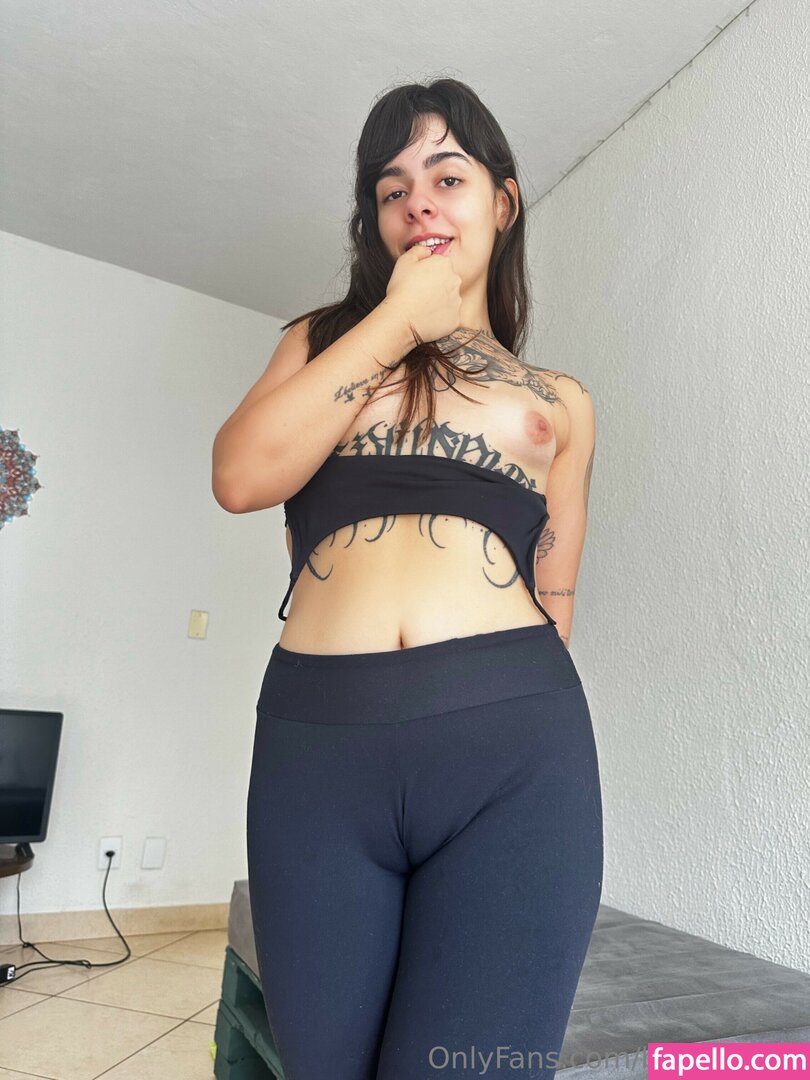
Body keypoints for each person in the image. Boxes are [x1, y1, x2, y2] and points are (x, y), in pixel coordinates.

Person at [213, 78, 603, 1080]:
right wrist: (397, 320)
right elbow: (242, 477)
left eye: (446, 177)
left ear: (502, 201)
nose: (418, 203)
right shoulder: (321, 340)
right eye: (392, 190)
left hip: (511, 749)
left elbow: (556, 597)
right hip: (317, 746)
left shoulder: (559, 400)